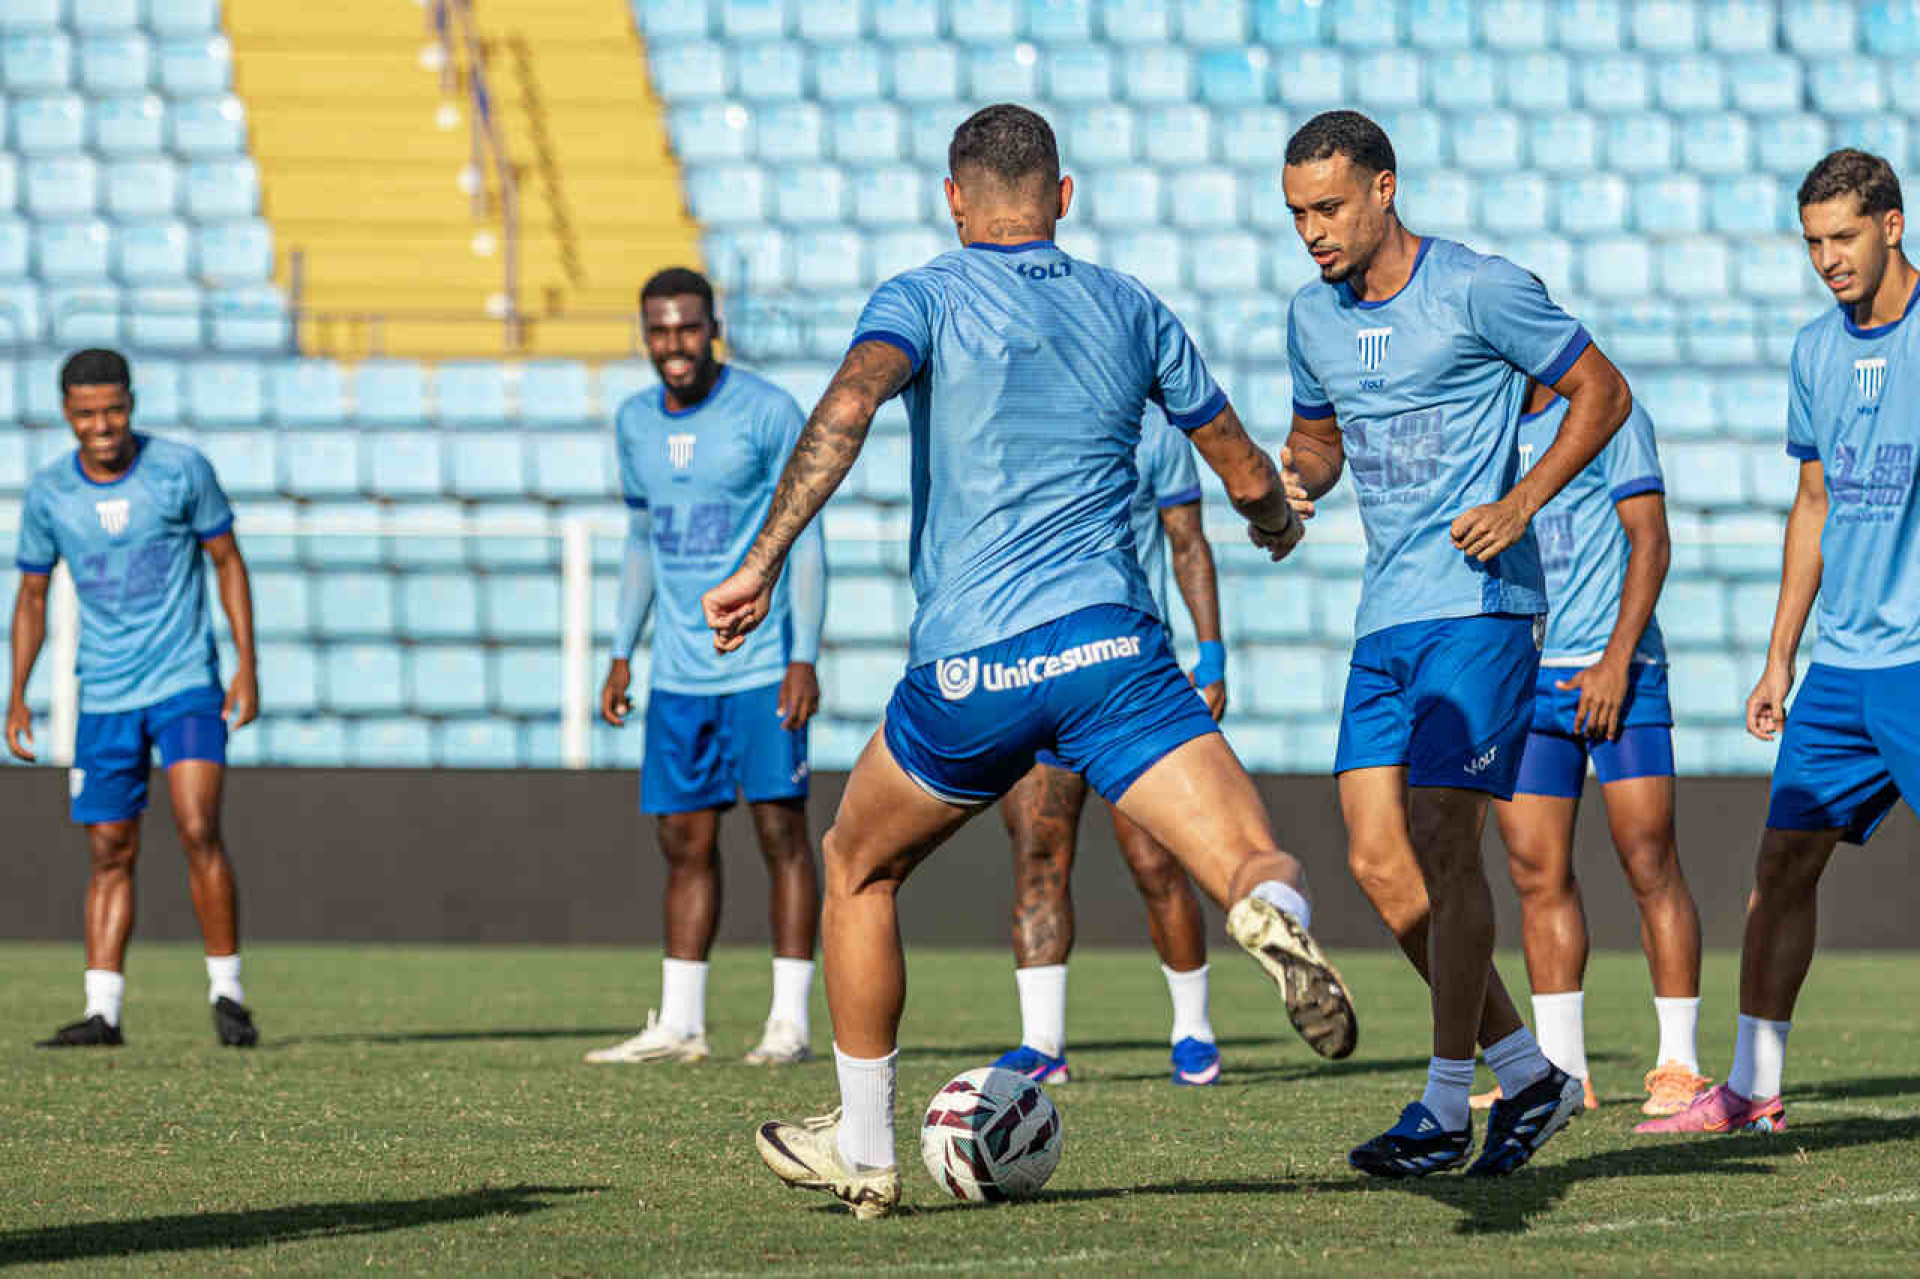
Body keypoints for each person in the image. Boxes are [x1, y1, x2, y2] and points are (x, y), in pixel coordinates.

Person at [705, 104, 1357, 1220]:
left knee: (858, 867)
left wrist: (762, 560)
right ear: (1064, 197)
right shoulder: (1130, 304)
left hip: (972, 670)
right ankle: (1270, 915)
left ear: (954, 200)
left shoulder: (921, 294)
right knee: (1247, 852)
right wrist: (1279, 525)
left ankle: (864, 1144)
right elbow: (1245, 471)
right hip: (1113, 651)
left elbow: (849, 405)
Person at [1277, 110, 1633, 1177]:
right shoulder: (1311, 315)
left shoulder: (1479, 286)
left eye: (1329, 207)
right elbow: (1319, 440)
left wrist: (1522, 502)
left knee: (1442, 836)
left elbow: (1602, 393)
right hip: (1383, 617)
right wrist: (1292, 482)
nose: (1313, 232)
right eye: (1297, 214)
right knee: (1380, 864)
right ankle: (1528, 1074)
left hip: (1480, 608)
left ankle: (1443, 1107)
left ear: (1385, 189)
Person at [1640, 149, 1920, 1136]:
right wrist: (1779, 656)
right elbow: (1813, 503)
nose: (1827, 258)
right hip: (1842, 668)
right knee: (1782, 868)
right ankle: (1753, 1088)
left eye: (1843, 236)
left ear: (1893, 224)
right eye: (1812, 241)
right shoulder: (1814, 350)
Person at [586, 268, 828, 1068]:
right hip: (679, 675)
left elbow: (806, 536)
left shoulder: (766, 411)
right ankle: (681, 1023)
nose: (673, 345)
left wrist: (803, 654)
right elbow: (640, 542)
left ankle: (788, 1021)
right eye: (659, 331)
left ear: (712, 326)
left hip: (759, 664)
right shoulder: (632, 422)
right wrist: (623, 647)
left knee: (779, 834)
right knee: (683, 842)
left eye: (687, 328)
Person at [7, 348, 261, 1048]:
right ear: (66, 413)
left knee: (196, 822)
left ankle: (227, 992)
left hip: (185, 682)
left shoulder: (181, 469)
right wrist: (17, 694)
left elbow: (227, 559)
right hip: (106, 694)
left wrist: (247, 664)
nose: (102, 424)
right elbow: (32, 593)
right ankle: (104, 1010)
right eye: (87, 412)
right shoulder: (51, 493)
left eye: (113, 408)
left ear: (132, 403)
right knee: (109, 848)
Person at [1468, 379, 1706, 1119]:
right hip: (1528, 681)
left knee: (1649, 858)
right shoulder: (1489, 423)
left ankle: (1679, 1062)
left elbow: (1651, 540)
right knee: (1536, 872)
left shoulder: (1610, 415)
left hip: (1621, 673)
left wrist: (1614, 658)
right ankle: (1562, 1074)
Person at [990, 409, 1233, 1088]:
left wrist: (1210, 655)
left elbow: (1186, 541)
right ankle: (1042, 1043)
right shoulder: (1020, 425)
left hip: (1129, 678)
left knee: (1156, 860)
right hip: (1035, 673)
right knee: (1038, 854)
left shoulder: (1155, 433)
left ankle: (1193, 1029)